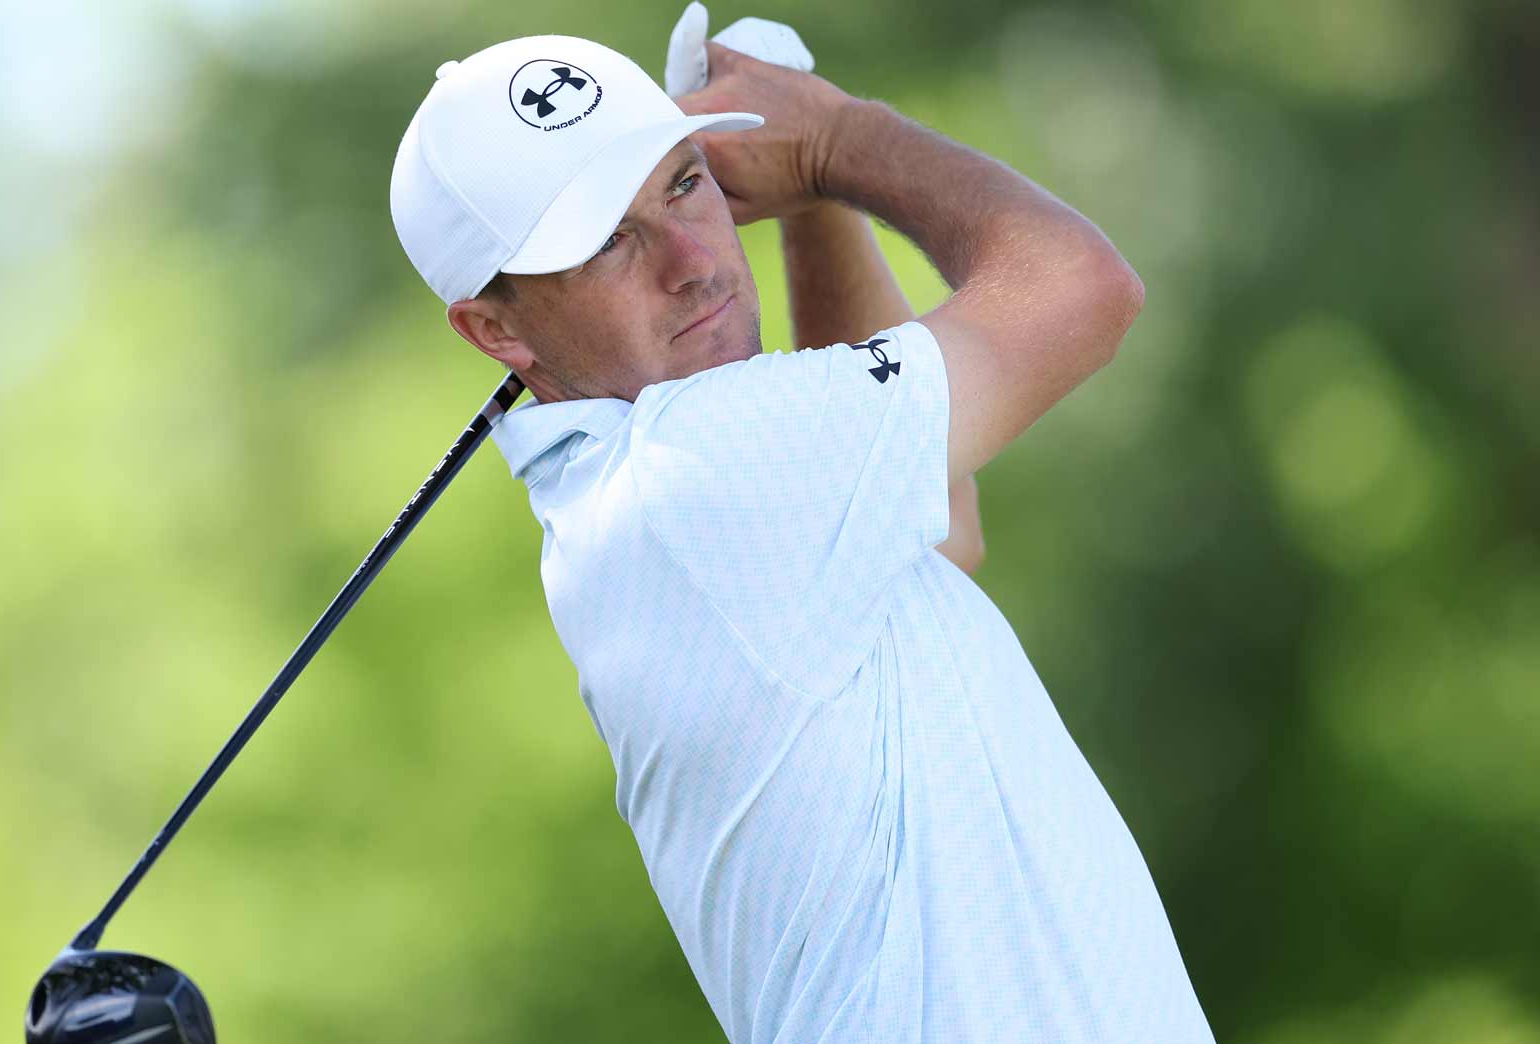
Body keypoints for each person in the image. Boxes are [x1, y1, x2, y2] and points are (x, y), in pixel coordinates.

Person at [390, 29, 1214, 1044]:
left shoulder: (663, 493)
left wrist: (809, 204)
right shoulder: (691, 475)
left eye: (685, 185)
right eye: (608, 239)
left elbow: (939, 528)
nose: (692, 262)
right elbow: (1081, 287)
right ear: (495, 331)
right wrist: (834, 139)